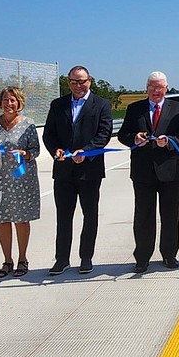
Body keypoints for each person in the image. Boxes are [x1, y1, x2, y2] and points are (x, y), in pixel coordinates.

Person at [117, 71, 179, 273]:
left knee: (170, 215)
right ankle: (142, 257)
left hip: (170, 171)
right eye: (152, 87)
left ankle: (169, 254)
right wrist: (134, 138)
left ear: (166, 88)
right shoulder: (135, 109)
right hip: (143, 172)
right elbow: (123, 134)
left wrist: (169, 141)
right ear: (146, 88)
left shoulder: (178, 108)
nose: (156, 91)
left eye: (160, 87)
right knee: (143, 216)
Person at [42, 66, 114, 276]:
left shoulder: (101, 105)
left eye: (82, 81)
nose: (78, 85)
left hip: (89, 170)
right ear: (68, 83)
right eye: (74, 82)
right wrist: (55, 149)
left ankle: (86, 257)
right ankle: (62, 259)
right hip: (63, 170)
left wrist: (88, 151)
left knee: (89, 214)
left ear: (89, 81)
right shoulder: (58, 105)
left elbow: (104, 133)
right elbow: (49, 134)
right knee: (63, 215)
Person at [0, 87, 41, 278]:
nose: (9, 104)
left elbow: (36, 150)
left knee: (21, 219)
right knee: (3, 219)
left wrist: (25, 154)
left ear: (19, 103)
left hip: (21, 177)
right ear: (0, 103)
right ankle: (7, 261)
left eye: (13, 100)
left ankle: (23, 259)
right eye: (6, 100)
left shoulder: (28, 124)